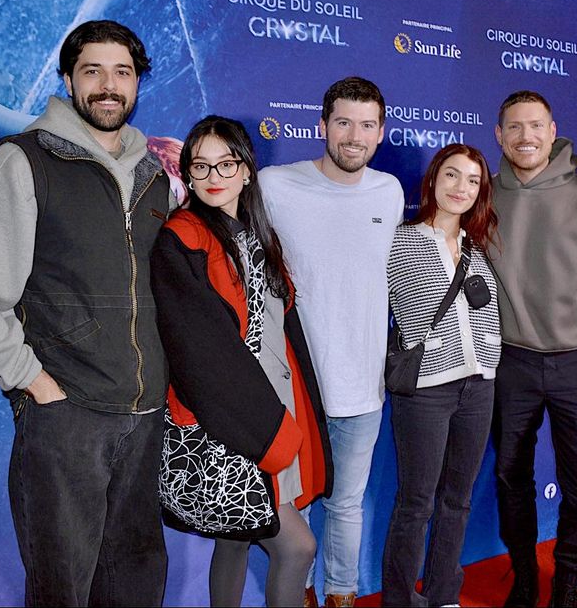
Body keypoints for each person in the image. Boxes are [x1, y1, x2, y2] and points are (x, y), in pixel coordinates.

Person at [0, 20, 176, 606]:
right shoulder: (24, 161)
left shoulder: (153, 176)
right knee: (63, 589)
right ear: (68, 79)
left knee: (138, 584)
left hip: (146, 419)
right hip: (68, 421)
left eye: (123, 72)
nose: (108, 85)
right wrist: (31, 380)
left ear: (138, 83)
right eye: (93, 71)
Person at [150, 115, 332, 607]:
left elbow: (280, 325)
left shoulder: (256, 234)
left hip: (273, 402)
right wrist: (258, 423)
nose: (214, 177)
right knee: (298, 547)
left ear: (247, 170)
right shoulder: (182, 236)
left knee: (234, 538)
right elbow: (199, 348)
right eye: (201, 166)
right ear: (186, 173)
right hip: (230, 416)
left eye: (226, 164)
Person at [259, 76, 404, 608]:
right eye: (343, 122)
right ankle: (295, 592)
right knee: (289, 501)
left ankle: (341, 594)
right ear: (322, 125)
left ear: (381, 132)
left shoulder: (388, 192)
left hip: (362, 386)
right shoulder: (274, 185)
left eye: (367, 125)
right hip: (292, 386)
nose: (354, 135)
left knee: (346, 503)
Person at [489, 90, 577, 608]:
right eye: (514, 127)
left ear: (553, 131)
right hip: (510, 364)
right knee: (510, 479)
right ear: (499, 136)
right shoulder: (483, 197)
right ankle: (525, 579)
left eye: (536, 126)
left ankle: (568, 587)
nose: (526, 136)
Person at [382, 143, 502, 607]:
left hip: (480, 387)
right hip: (426, 390)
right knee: (416, 503)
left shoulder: (478, 245)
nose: (461, 188)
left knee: (459, 499)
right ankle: (398, 599)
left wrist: (487, 364)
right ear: (433, 180)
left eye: (473, 181)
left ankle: (443, 595)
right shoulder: (399, 240)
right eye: (452, 176)